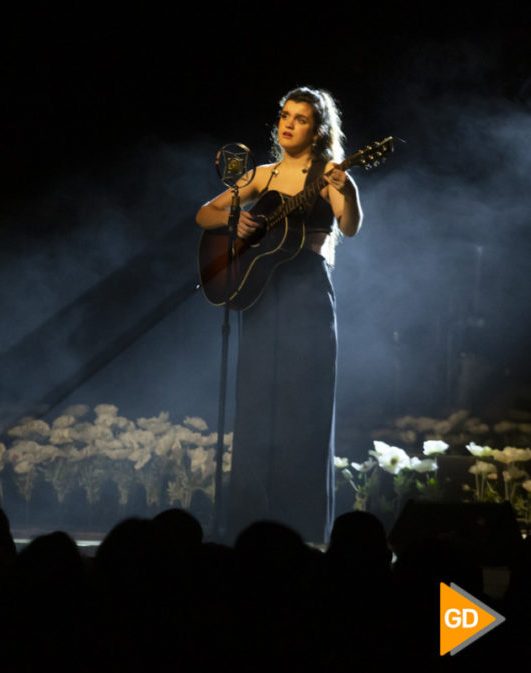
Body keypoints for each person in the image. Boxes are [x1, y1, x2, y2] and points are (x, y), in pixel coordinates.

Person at [195, 86, 362, 543]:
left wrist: (346, 191)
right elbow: (204, 216)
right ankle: (250, 527)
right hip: (260, 295)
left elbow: (349, 225)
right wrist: (237, 220)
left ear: (319, 129)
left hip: (307, 292)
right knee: (256, 405)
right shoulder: (261, 176)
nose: (288, 124)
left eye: (301, 118)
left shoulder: (330, 173)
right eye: (285, 116)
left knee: (302, 408)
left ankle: (303, 530)